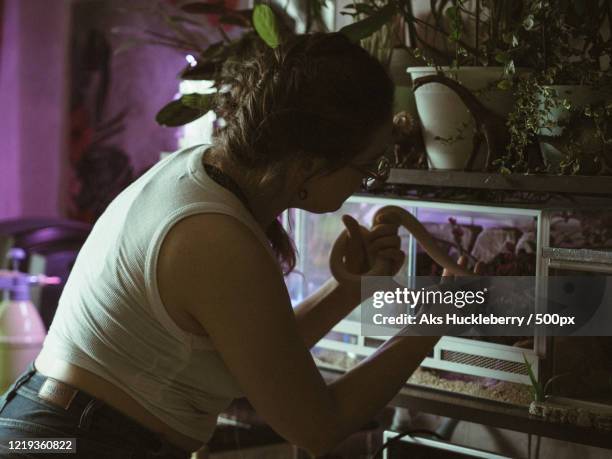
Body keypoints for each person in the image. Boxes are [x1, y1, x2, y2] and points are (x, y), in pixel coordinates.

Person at [0, 32, 464, 458]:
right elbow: (318, 427)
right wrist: (438, 318)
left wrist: (348, 290)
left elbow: (257, 356)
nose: (369, 180)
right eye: (367, 166)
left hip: (47, 430)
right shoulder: (216, 236)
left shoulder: (200, 171)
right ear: (306, 164)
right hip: (76, 441)